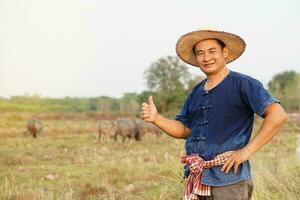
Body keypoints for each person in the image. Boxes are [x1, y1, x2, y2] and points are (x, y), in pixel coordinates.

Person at [140, 29, 287, 200]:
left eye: (212, 51)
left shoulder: (243, 84)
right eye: (200, 53)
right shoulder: (196, 92)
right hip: (197, 177)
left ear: (224, 53)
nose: (206, 57)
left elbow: (278, 115)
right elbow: (185, 130)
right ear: (196, 58)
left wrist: (246, 151)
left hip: (229, 181)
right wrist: (156, 119)